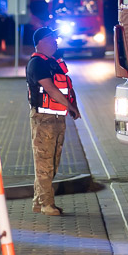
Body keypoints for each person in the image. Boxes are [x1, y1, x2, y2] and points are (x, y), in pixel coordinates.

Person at [25, 27, 80, 216]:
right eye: (52, 38)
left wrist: (73, 106)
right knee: (44, 164)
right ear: (41, 42)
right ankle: (47, 204)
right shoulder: (37, 63)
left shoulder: (53, 63)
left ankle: (38, 201)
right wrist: (70, 106)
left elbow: (67, 87)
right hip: (43, 119)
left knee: (52, 162)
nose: (56, 41)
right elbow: (50, 89)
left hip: (57, 118)